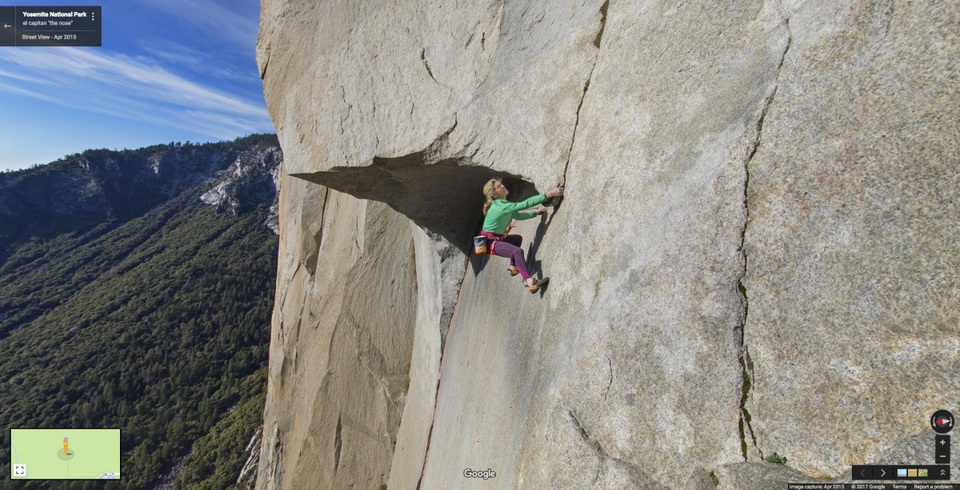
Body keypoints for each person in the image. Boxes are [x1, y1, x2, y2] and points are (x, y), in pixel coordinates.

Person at [480, 178, 564, 293]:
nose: (504, 186)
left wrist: (534, 213)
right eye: (500, 186)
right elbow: (526, 204)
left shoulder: (502, 204)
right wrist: (550, 194)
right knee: (517, 252)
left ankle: (514, 268)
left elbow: (517, 216)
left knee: (517, 239)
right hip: (490, 243)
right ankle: (531, 282)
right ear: (494, 194)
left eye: (502, 184)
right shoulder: (501, 206)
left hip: (495, 239)